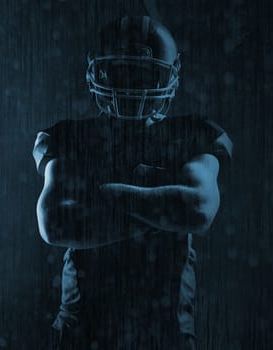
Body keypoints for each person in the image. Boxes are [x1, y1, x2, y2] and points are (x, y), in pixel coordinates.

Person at [32, 16, 233, 349]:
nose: (131, 86)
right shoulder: (71, 136)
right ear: (99, 72)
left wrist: (107, 194)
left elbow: (199, 209)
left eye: (144, 73)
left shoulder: (192, 133)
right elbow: (54, 225)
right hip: (83, 328)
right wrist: (161, 213)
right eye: (122, 72)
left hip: (163, 331)